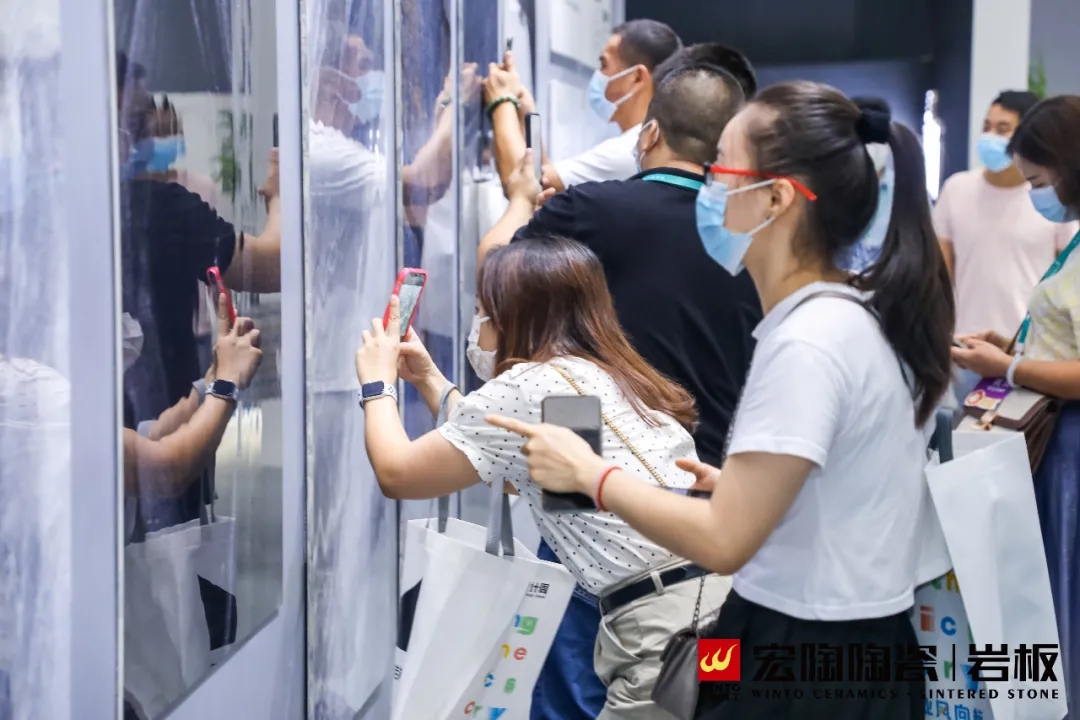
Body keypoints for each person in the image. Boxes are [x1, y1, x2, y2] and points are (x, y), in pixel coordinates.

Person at [488, 81, 954, 719]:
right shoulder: (849, 316)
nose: (709, 188)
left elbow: (723, 542)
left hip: (797, 660)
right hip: (842, 646)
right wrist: (747, 488)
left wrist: (590, 475)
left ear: (776, 198)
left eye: (722, 170)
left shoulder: (808, 342)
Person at [478, 57, 760, 720]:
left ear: (651, 133)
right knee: (699, 690)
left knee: (572, 685)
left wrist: (518, 199)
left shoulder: (594, 209)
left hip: (590, 476)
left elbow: (499, 275)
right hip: (715, 496)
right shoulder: (752, 235)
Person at [355, 238, 731, 719]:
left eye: (482, 313)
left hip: (661, 629)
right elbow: (523, 470)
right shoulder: (597, 377)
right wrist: (431, 380)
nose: (477, 328)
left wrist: (377, 383)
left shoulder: (529, 385)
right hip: (714, 608)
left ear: (516, 317)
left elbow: (397, 473)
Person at [952, 94, 1080, 709]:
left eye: (1037, 181)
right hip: (1056, 436)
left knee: (1058, 592)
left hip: (1070, 440)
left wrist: (1007, 367)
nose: (1033, 193)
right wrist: (1013, 346)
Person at [935, 90, 1078, 338]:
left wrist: (1015, 358)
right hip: (968, 338)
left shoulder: (1056, 200)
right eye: (986, 127)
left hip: (1034, 340)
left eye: (1002, 129)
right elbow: (940, 274)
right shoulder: (956, 189)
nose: (990, 136)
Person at [483, 19, 681, 193]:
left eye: (604, 65)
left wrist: (502, 100)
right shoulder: (657, 140)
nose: (598, 76)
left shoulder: (631, 150)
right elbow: (551, 186)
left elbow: (524, 185)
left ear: (636, 77)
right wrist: (527, 116)